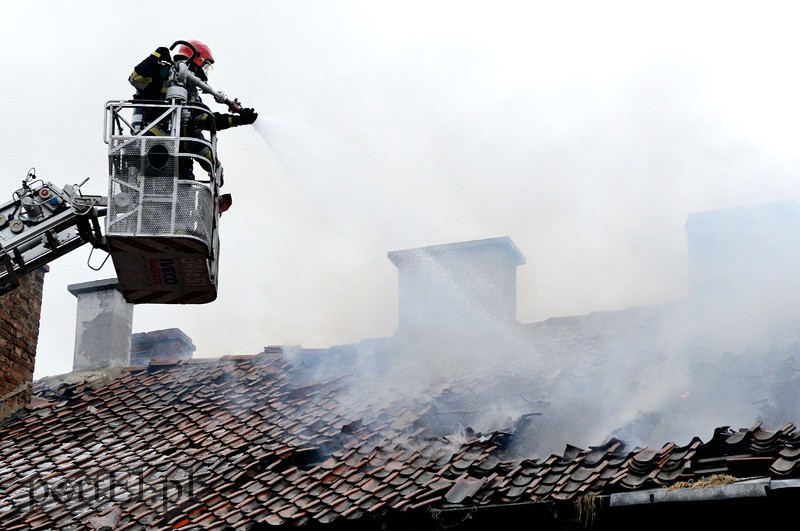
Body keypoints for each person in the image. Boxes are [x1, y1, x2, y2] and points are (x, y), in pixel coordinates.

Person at [128, 40, 258, 181]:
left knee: (186, 176)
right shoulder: (160, 75)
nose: (205, 71)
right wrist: (155, 57)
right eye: (206, 66)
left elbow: (206, 120)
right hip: (150, 148)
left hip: (179, 168)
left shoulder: (191, 95)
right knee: (160, 158)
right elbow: (136, 79)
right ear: (197, 60)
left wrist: (239, 120)